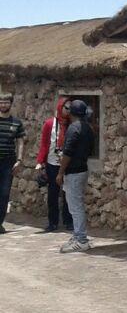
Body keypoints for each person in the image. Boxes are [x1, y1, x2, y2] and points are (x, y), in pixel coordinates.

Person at [57, 99, 94, 253]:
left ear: (71, 113)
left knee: (75, 206)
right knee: (75, 205)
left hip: (73, 172)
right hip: (82, 169)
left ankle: (81, 239)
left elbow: (68, 153)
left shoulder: (74, 128)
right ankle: (78, 235)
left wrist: (60, 172)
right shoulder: (88, 128)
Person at [34, 97, 74, 233]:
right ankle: (53, 222)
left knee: (68, 193)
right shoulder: (49, 124)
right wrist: (40, 162)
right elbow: (44, 144)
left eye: (70, 109)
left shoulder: (72, 125)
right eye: (66, 108)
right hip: (52, 163)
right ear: (60, 107)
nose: (67, 111)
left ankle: (68, 221)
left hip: (68, 164)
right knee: (52, 194)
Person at [0, 91, 26, 234]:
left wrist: (19, 160)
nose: (3, 105)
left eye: (6, 102)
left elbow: (20, 142)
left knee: (4, 194)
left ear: (10, 103)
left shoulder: (16, 123)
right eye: (1, 102)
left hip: (8, 163)